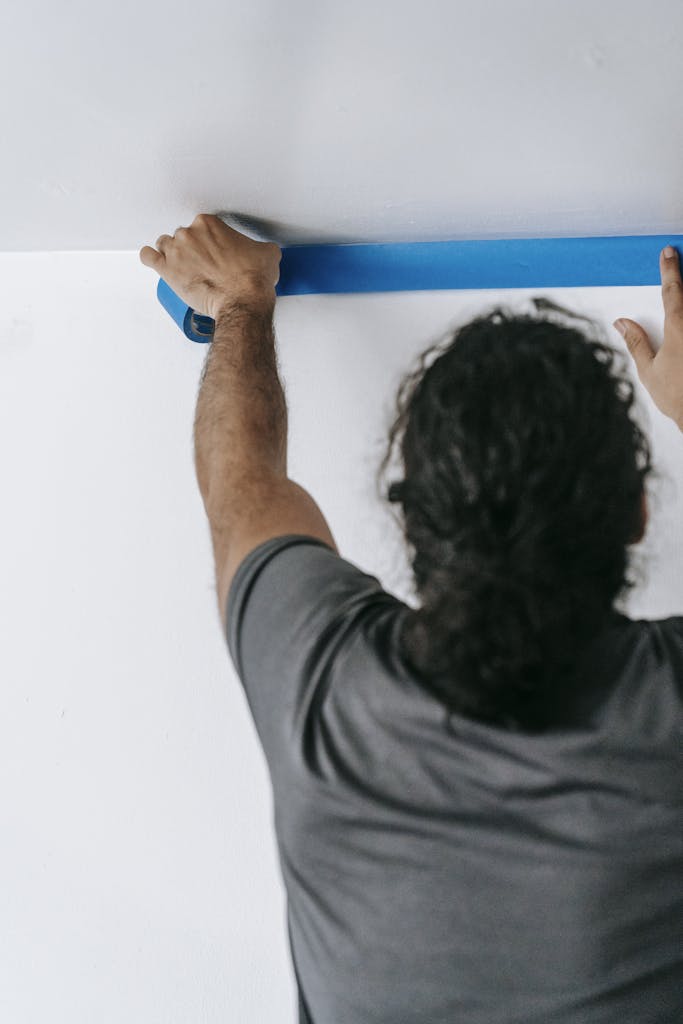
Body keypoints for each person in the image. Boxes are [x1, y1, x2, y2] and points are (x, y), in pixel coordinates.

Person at [140, 220, 682, 1023]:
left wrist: (241, 304)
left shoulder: (319, 684)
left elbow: (240, 482)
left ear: (411, 523)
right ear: (638, 512)